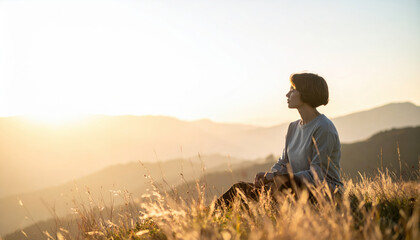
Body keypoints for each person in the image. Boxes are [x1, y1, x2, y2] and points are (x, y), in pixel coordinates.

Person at [215, 73, 343, 207]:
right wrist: (269, 176)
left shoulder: (324, 127)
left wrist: (277, 179)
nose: (287, 94)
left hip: (325, 193)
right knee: (239, 189)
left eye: (292, 90)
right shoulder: (293, 127)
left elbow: (317, 176)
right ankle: (207, 215)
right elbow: (284, 162)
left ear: (306, 93)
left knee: (272, 193)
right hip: (293, 187)